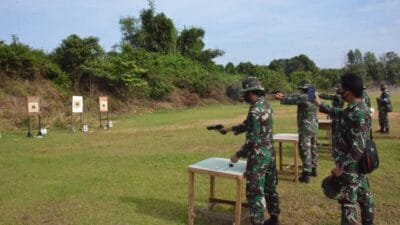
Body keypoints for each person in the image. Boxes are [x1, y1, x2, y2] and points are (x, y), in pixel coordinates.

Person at [219, 76, 280, 225]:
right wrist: (229, 129)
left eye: (245, 93)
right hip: (270, 153)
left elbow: (252, 141)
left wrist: (237, 155)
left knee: (255, 193)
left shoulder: (254, 111)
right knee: (270, 187)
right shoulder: (265, 105)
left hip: (258, 157)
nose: (244, 96)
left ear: (251, 92)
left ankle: (257, 222)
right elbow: (249, 124)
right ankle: (274, 218)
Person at [315, 73, 374, 225]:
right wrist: (320, 104)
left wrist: (341, 167)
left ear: (349, 91)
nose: (340, 91)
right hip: (355, 166)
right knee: (364, 196)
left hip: (351, 167)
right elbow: (339, 113)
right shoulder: (353, 109)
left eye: (342, 88)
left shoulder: (360, 113)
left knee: (349, 203)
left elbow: (359, 146)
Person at [274, 80, 318, 183]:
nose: (299, 91)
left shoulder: (304, 97)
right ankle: (314, 169)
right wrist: (284, 95)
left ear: (304, 89)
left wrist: (281, 98)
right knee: (313, 149)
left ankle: (306, 174)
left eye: (300, 89)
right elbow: (295, 97)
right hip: (314, 127)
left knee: (305, 150)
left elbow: (292, 100)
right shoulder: (312, 95)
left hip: (305, 128)